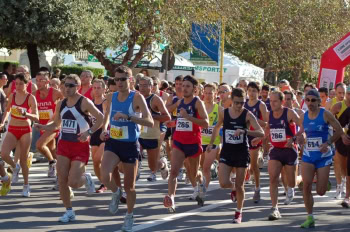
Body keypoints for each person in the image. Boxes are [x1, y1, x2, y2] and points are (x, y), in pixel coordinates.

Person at [34, 74, 103, 222]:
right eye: (66, 85)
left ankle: (87, 178)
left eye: (71, 85)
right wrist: (44, 126)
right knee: (62, 180)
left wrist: (89, 132)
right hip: (64, 145)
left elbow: (101, 118)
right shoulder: (61, 104)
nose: (67, 88)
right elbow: (56, 125)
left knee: (74, 182)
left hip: (80, 146)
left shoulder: (85, 102)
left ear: (77, 87)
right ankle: (69, 211)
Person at [99, 65, 153, 232]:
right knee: (104, 175)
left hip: (130, 145)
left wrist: (128, 117)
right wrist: (103, 129)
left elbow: (150, 122)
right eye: (117, 79)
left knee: (130, 186)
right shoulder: (111, 96)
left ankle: (129, 216)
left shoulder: (136, 98)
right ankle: (116, 192)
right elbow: (107, 115)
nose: (120, 82)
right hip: (113, 142)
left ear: (131, 80)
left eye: (123, 79)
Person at [208, 87, 264, 223]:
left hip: (241, 152)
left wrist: (245, 131)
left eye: (242, 103)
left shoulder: (247, 114)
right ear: (231, 100)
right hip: (227, 151)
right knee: (223, 183)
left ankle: (238, 213)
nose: (239, 106)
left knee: (240, 185)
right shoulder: (224, 113)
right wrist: (211, 143)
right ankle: (233, 188)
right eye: (237, 102)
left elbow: (261, 132)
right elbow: (216, 127)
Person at [299, 89, 348, 228]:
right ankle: (310, 217)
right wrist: (297, 138)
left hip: (323, 157)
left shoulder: (325, 114)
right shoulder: (304, 116)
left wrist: (328, 143)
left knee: (320, 192)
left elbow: (339, 131)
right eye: (307, 100)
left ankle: (324, 182)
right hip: (308, 155)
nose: (310, 103)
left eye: (313, 100)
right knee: (307, 185)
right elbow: (301, 132)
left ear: (319, 101)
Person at [163, 75, 209, 212]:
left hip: (193, 142)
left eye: (187, 86)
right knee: (174, 171)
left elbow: (206, 123)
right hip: (178, 141)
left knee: (192, 174)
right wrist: (172, 121)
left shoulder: (197, 103)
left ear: (194, 89)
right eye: (183, 86)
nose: (184, 88)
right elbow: (169, 112)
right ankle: (171, 198)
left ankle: (200, 183)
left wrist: (189, 117)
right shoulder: (179, 102)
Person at [264, 91, 303, 220]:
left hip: (290, 150)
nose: (272, 103)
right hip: (276, 150)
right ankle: (275, 208)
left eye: (275, 101)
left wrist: (294, 139)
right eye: (270, 101)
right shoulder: (269, 115)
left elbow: (302, 127)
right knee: (273, 178)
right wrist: (262, 140)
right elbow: (268, 130)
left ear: (282, 102)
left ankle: (300, 178)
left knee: (291, 182)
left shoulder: (289, 113)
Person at [0, 73, 39, 197]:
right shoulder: (13, 95)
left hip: (25, 130)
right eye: (16, 84)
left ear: (27, 84)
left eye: (21, 84)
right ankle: (14, 166)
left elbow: (37, 117)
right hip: (12, 128)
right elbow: (7, 110)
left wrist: (26, 114)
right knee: (4, 153)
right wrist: (2, 122)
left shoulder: (30, 98)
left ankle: (26, 185)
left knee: (23, 159)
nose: (18, 86)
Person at [138, 76, 171, 182]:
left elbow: (167, 117)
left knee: (152, 166)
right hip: (138, 134)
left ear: (151, 87)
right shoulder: (136, 97)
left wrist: (150, 116)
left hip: (151, 135)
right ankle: (135, 170)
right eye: (140, 85)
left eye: (145, 85)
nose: (142, 88)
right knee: (134, 155)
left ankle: (162, 164)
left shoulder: (155, 99)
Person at [34, 71, 64, 178]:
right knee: (52, 150)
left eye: (41, 80)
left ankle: (52, 163)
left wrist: (59, 114)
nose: (38, 83)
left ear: (47, 81)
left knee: (39, 145)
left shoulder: (55, 92)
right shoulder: (34, 94)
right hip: (42, 126)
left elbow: (68, 101)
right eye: (36, 80)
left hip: (53, 125)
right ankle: (62, 171)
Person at [244, 82, 268, 203]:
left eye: (254, 91)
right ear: (247, 91)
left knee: (253, 165)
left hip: (256, 137)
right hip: (244, 136)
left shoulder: (261, 105)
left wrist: (254, 119)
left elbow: (267, 124)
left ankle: (257, 189)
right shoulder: (243, 104)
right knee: (244, 165)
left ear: (258, 93)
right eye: (250, 90)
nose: (252, 93)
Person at [201, 84, 222, 197]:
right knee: (198, 167)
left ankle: (204, 190)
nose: (208, 95)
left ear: (215, 94)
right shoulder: (200, 106)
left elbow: (223, 126)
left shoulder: (219, 109)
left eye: (210, 93)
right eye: (206, 93)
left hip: (213, 142)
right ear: (203, 93)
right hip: (200, 141)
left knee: (205, 167)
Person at [331, 85, 350, 199]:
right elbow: (330, 121)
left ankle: (345, 190)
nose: (348, 96)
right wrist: (340, 133)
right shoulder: (338, 106)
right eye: (348, 94)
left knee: (348, 166)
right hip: (340, 137)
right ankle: (340, 183)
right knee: (340, 163)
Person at [90, 79, 108, 193]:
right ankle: (103, 182)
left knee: (98, 158)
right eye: (94, 88)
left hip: (104, 134)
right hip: (93, 134)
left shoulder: (105, 102)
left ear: (104, 89)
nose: (96, 90)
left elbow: (106, 119)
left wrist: (102, 129)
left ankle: (104, 183)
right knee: (96, 162)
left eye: (99, 88)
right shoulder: (90, 103)